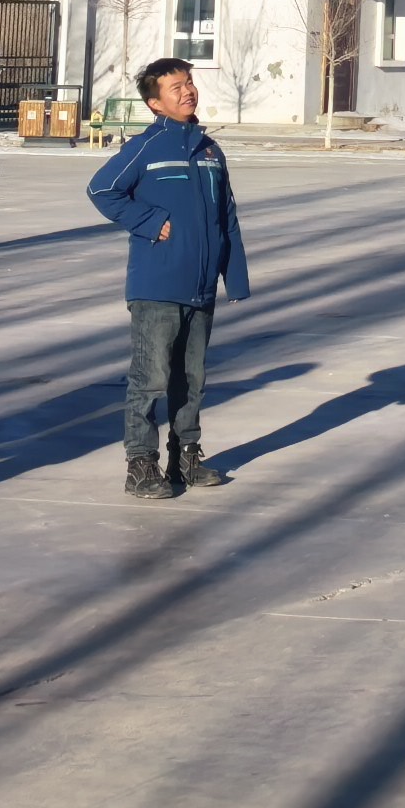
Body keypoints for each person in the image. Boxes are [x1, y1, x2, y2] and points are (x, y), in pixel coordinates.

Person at [86, 56, 249, 497]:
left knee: (191, 378)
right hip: (156, 283)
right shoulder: (146, 147)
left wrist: (234, 276)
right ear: (155, 103)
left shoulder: (210, 151)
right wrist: (148, 220)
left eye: (189, 82)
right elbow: (102, 189)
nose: (188, 91)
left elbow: (227, 217)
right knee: (151, 377)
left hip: (201, 285)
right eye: (176, 87)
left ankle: (185, 456)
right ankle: (140, 463)